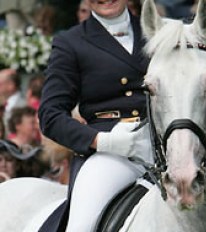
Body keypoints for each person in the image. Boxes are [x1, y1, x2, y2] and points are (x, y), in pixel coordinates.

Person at [38, 0, 152, 231]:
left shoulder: (156, 31)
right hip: (112, 153)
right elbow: (50, 115)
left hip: (170, 143)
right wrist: (101, 141)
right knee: (81, 225)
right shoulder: (71, 42)